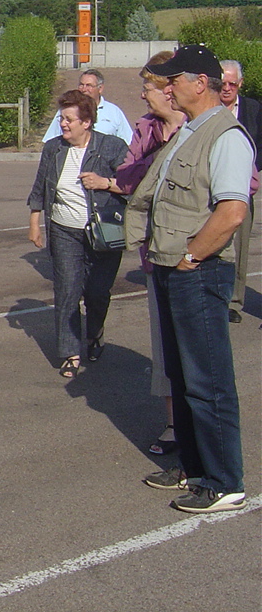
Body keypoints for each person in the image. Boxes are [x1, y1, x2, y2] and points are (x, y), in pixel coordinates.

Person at [130, 45, 252, 513]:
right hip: (171, 267)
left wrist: (189, 257)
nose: (167, 87)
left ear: (202, 83)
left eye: (174, 79)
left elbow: (231, 212)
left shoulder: (226, 136)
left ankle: (224, 481)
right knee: (182, 377)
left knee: (208, 379)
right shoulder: (189, 131)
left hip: (198, 273)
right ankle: (195, 468)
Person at [110, 53, 184, 456]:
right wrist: (155, 156)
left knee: (194, 348)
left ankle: (199, 430)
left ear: (169, 88)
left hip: (195, 253)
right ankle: (173, 424)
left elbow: (248, 181)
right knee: (163, 344)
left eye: (149, 87)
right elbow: (125, 176)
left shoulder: (203, 129)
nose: (143, 94)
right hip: (155, 252)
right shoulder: (146, 129)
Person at [27, 89, 128, 378]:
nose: (64, 124)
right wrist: (35, 222)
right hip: (63, 230)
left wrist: (105, 182)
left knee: (97, 292)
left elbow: (134, 184)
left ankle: (94, 334)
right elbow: (40, 187)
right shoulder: (53, 148)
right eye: (62, 118)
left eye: (70, 119)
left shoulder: (111, 147)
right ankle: (70, 352)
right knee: (67, 290)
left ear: (87, 122)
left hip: (103, 232)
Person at [219, 60, 260, 322]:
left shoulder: (253, 109)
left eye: (232, 84)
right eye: (222, 83)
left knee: (240, 246)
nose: (226, 89)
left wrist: (253, 169)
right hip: (212, 187)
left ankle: (234, 300)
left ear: (240, 84)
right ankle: (214, 298)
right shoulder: (208, 108)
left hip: (244, 188)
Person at [42, 68, 134, 144]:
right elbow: (50, 140)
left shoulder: (114, 112)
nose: (84, 89)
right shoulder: (65, 111)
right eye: (81, 85)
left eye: (89, 85)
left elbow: (128, 142)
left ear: (100, 88)